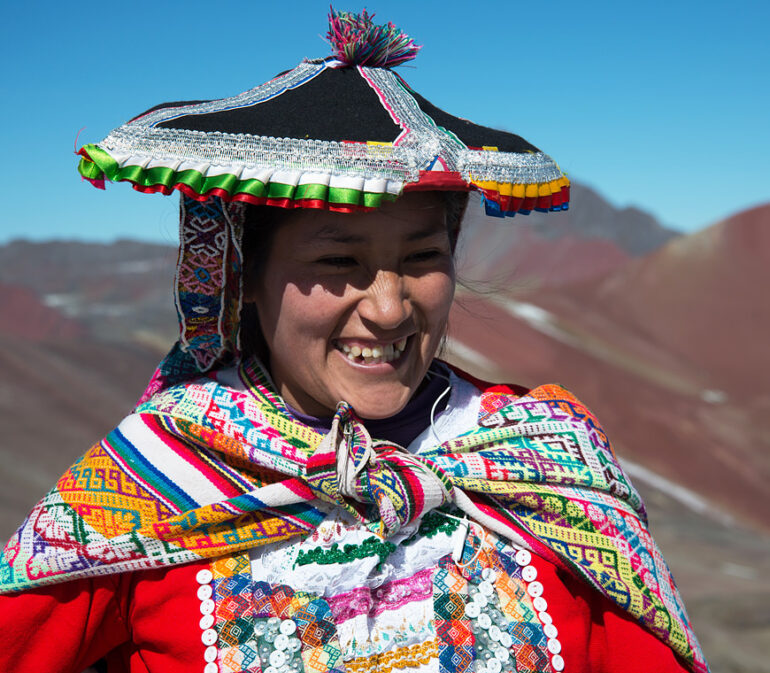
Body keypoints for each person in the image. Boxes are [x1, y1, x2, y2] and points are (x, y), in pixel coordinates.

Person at [0, 9, 708, 673]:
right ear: (244, 278)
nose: (391, 306)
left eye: (423, 258)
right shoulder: (150, 486)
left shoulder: (542, 459)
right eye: (339, 263)